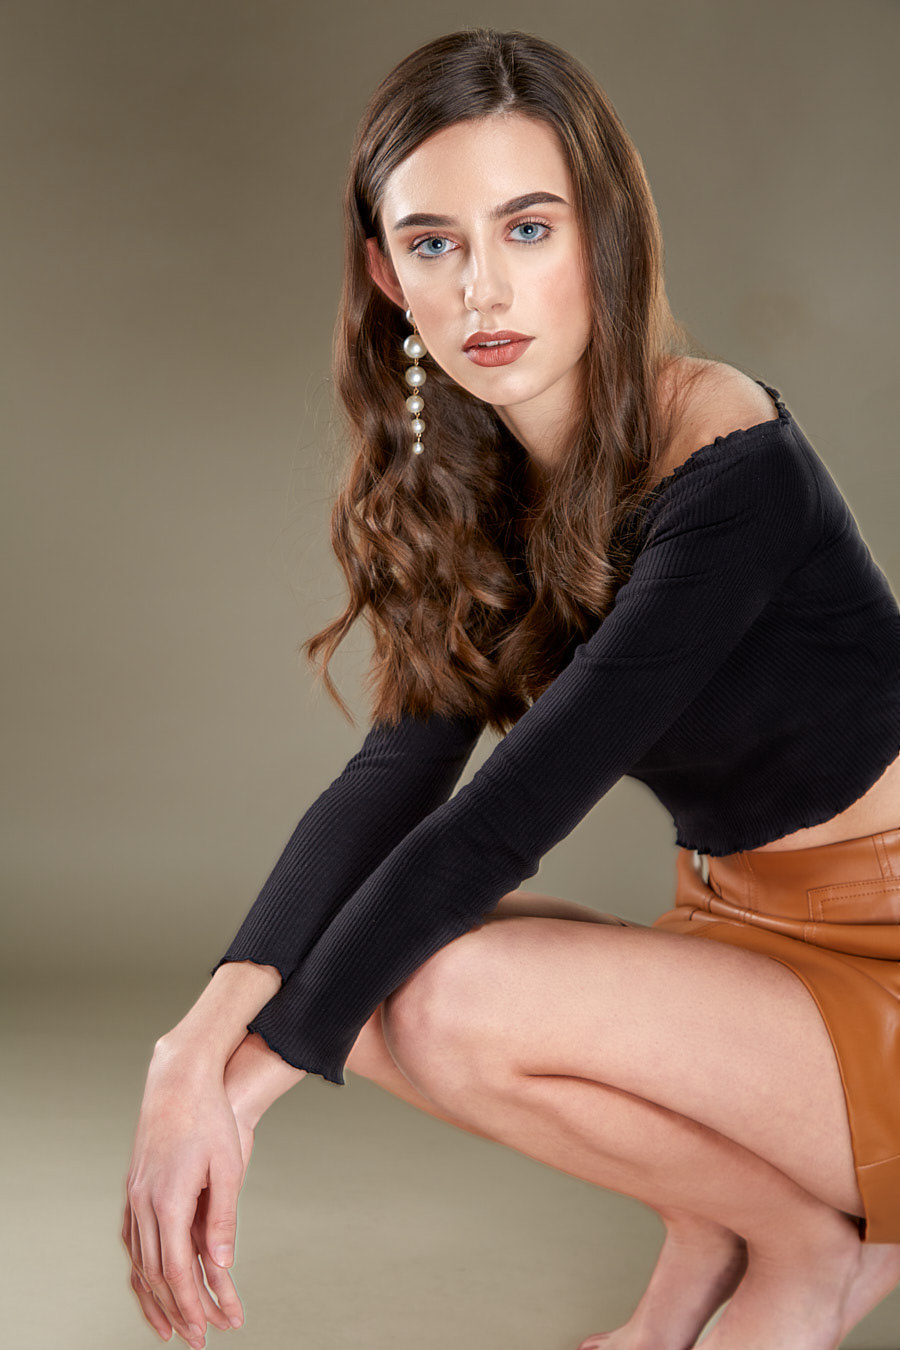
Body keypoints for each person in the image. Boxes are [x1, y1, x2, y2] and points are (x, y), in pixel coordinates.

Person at [122, 27, 900, 1350]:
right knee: (360, 976)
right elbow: (394, 777)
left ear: (604, 234)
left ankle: (808, 1253)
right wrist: (189, 1048)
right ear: (386, 274)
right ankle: (766, 1226)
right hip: (742, 941)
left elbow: (501, 820)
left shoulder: (729, 459)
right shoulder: (480, 486)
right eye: (433, 244)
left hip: (885, 957)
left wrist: (238, 1100)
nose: (483, 288)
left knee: (416, 983)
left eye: (528, 229)